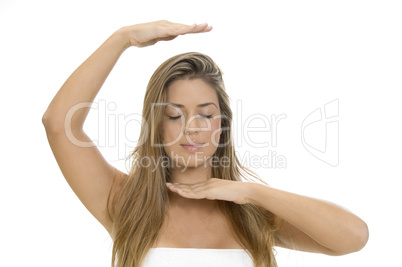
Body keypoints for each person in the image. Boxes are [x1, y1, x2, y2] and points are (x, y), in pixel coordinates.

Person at [42, 20, 369, 267]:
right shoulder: (126, 202)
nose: (191, 129)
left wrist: (250, 192)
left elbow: (353, 238)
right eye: (174, 115)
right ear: (155, 125)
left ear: (223, 125)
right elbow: (59, 124)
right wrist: (122, 38)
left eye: (206, 115)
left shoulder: (254, 215)